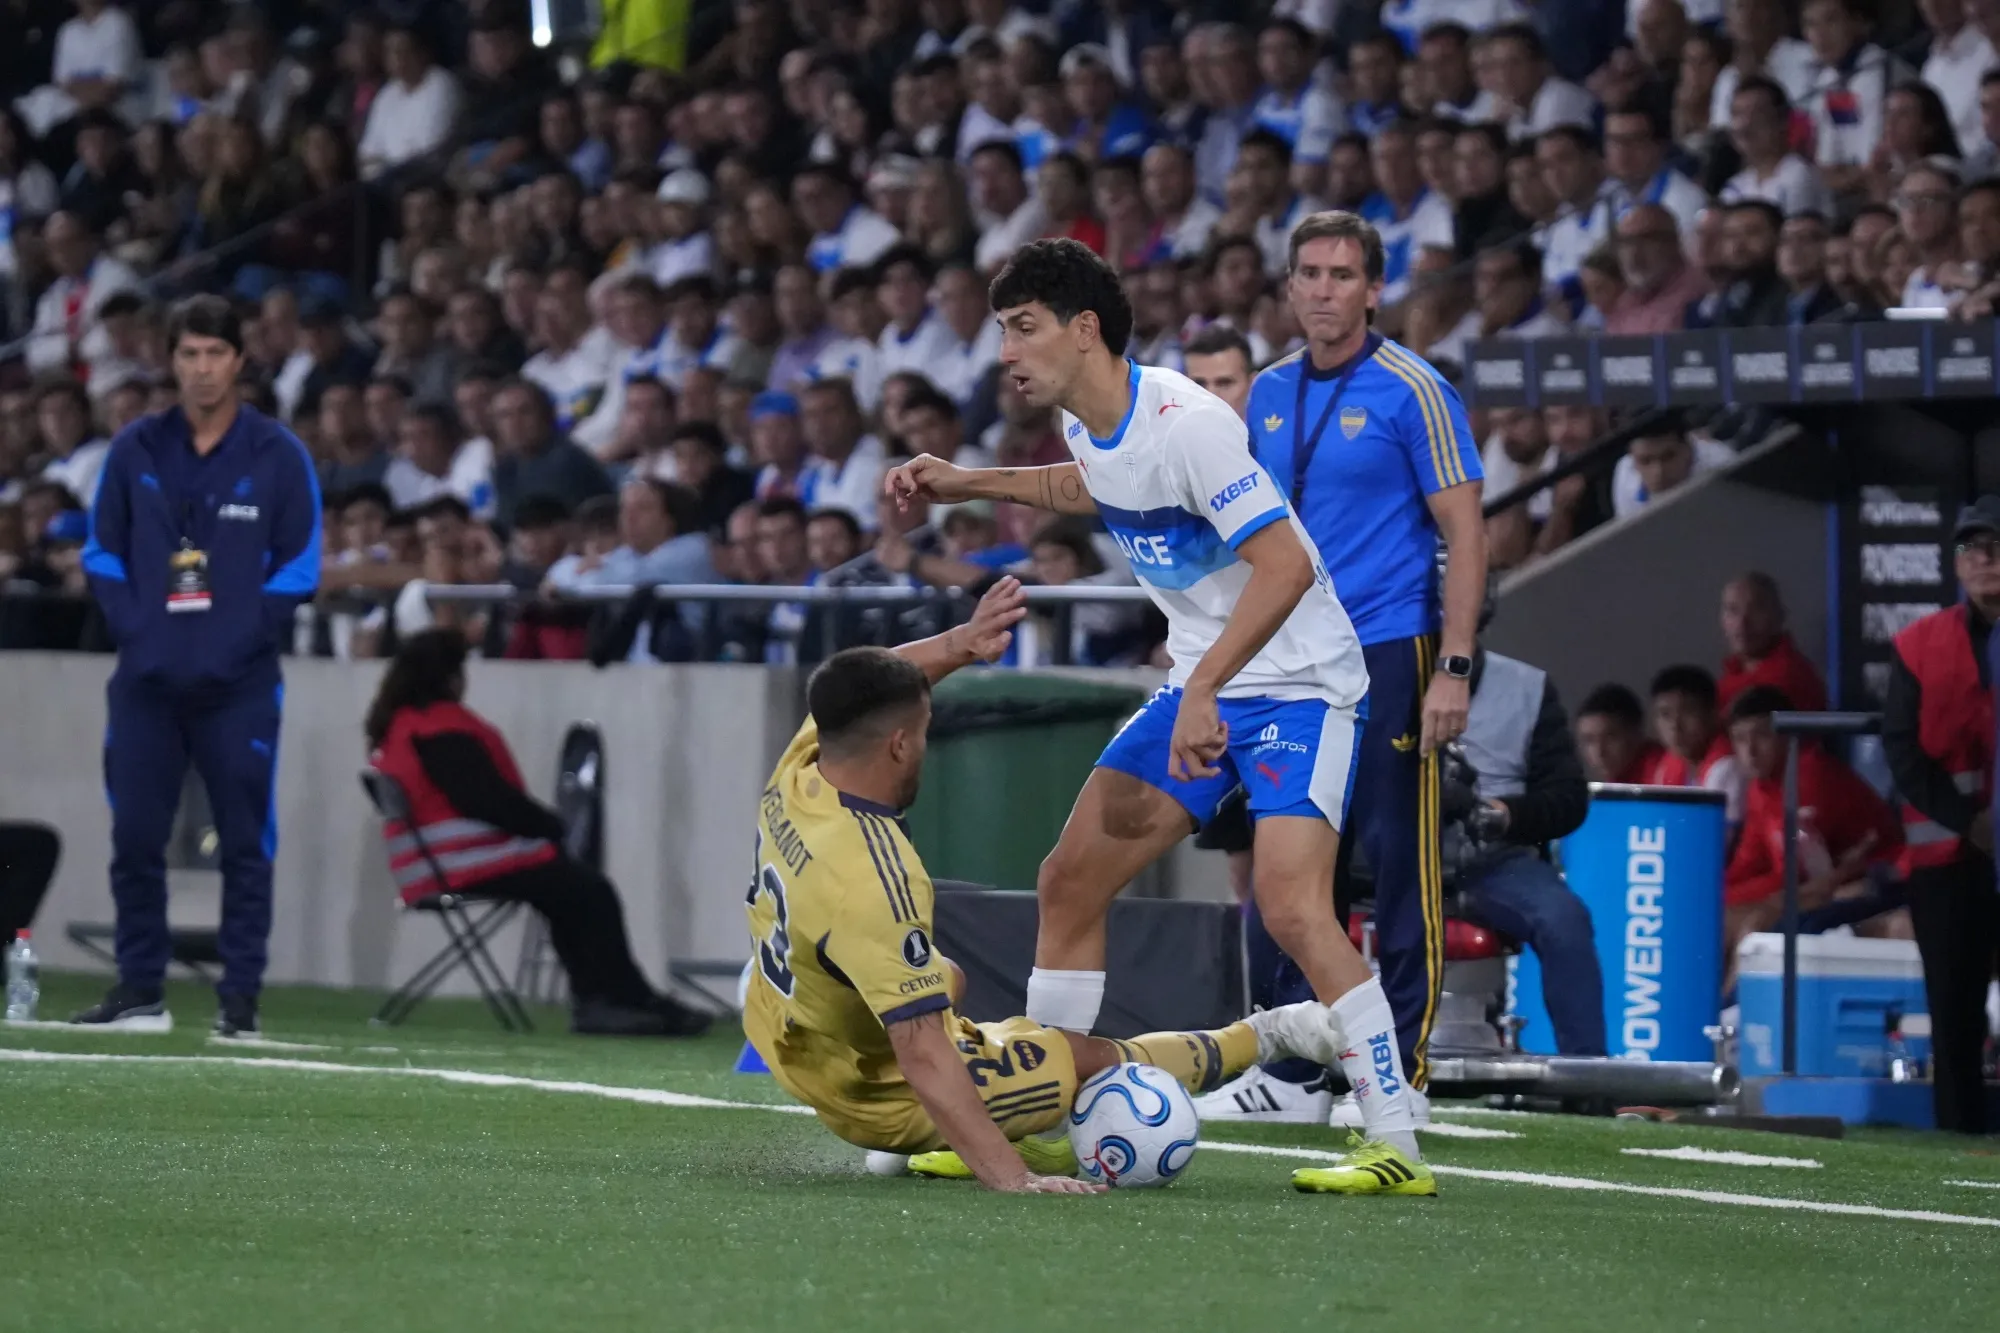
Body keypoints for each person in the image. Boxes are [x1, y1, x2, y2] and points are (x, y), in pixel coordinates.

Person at [884, 238, 1433, 1196]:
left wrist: (1209, 688)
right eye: (1001, 330)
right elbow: (1087, 486)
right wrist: (965, 480)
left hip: (1302, 686)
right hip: (1208, 681)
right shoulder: (1092, 428)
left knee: (1295, 906)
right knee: (1068, 880)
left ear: (1083, 329)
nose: (1005, 351)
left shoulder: (1191, 422)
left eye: (1023, 328)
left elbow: (1288, 566)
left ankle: (1395, 1141)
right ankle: (1051, 1117)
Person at [744, 579, 1334, 1192]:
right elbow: (922, 1051)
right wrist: (1011, 1178)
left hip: (782, 1027)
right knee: (1083, 1059)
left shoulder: (805, 764)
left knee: (946, 981)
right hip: (865, 1094)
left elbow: (887, 675)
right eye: (922, 731)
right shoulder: (874, 876)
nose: (925, 743)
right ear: (898, 744)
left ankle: (947, 1120)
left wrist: (961, 644)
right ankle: (1270, 1034)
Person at [1216, 209, 1488, 1125]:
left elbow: (1467, 533)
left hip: (1387, 647)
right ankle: (1293, 1071)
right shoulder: (1266, 391)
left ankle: (1402, 1073)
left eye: (1343, 275)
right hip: (1290, 657)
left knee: (1399, 861)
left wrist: (1453, 666)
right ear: (1289, 287)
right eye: (1311, 274)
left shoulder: (1415, 388)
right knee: (1292, 872)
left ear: (1374, 289)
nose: (1326, 290)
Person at [75, 296, 323, 1038]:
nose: (203, 368)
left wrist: (239, 636)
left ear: (240, 361)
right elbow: (100, 551)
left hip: (239, 684)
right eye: (189, 354)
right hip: (147, 680)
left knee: (246, 841)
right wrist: (137, 628)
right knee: (134, 837)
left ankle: (239, 1000)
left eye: (216, 353)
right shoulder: (135, 448)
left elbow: (301, 564)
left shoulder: (278, 454)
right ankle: (140, 989)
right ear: (171, 361)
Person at [365, 630, 709, 1037]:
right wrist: (549, 825)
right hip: (461, 862)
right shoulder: (440, 727)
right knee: (590, 892)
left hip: (428, 866)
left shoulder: (400, 726)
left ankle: (610, 998)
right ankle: (616, 999)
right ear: (451, 677)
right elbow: (486, 799)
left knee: (568, 894)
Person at [1884, 497, 2000, 1133]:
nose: (1984, 558)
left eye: (1996, 544)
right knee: (1953, 1009)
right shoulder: (1919, 646)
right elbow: (1902, 750)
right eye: (1971, 547)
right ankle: (1960, 1136)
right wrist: (1971, 821)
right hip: (1950, 859)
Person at [1723, 685, 1906, 990]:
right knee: (1718, 919)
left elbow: (1795, 876)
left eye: (1762, 735)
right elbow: (1748, 863)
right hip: (1824, 884)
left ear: (1786, 736)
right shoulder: (1760, 787)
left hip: (1878, 881)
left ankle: (1727, 1015)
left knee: (1754, 925)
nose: (1750, 750)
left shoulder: (1809, 774)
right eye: (1740, 739)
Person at [1647, 663, 1747, 826]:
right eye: (1665, 714)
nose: (1675, 726)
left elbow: (1715, 841)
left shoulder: (1728, 766)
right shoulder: (1670, 762)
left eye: (1687, 712)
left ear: (1714, 714)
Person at [1718, 570, 1829, 711]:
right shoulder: (1733, 672)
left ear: (1779, 616)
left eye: (1756, 610)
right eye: (1732, 610)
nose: (1742, 623)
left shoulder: (1788, 676)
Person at [1576, 683, 1665, 784]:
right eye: (1589, 740)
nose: (1599, 752)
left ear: (1636, 734)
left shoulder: (1667, 771)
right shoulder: (1616, 780)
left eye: (1610, 737)